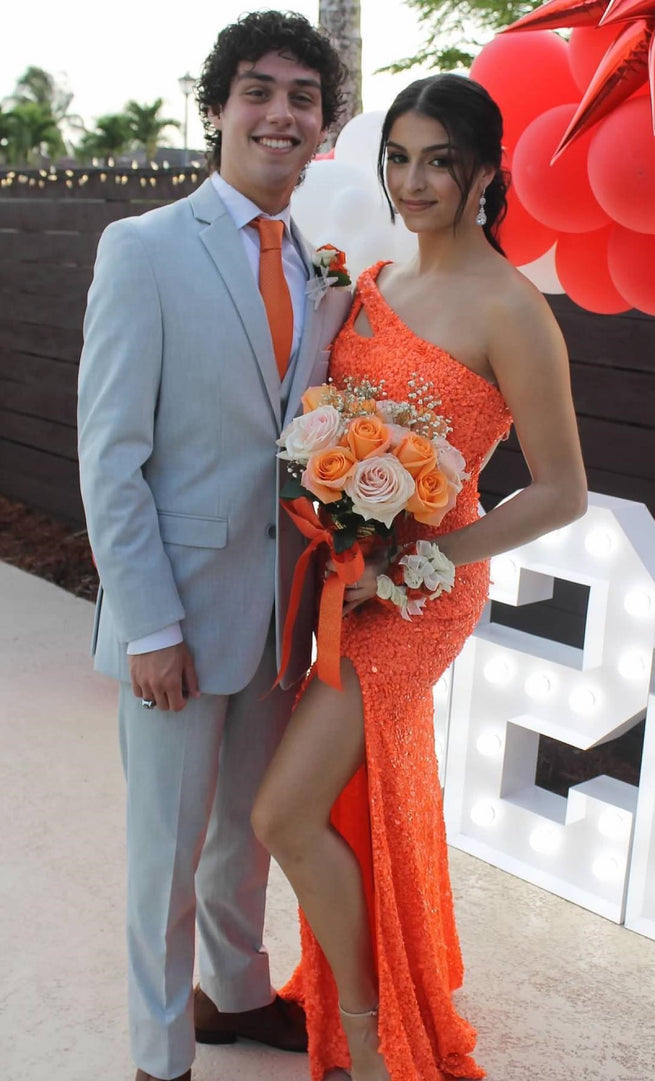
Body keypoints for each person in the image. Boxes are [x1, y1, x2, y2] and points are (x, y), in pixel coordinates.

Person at [251, 73, 588, 1081]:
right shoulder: (372, 284)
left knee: (283, 814)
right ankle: (368, 1004)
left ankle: (373, 1035)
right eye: (398, 158)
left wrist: (418, 558)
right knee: (344, 803)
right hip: (341, 575)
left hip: (424, 589)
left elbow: (562, 490)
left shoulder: (513, 309)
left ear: (485, 172)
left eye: (440, 161)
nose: (413, 181)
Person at [77, 12, 350, 1081]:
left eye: (302, 98)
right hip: (178, 616)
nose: (281, 113)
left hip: (280, 612)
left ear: (323, 126)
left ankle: (233, 994)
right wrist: (149, 624)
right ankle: (160, 1052)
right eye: (258, 91)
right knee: (167, 848)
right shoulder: (143, 248)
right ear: (219, 108)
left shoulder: (323, 268)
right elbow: (111, 457)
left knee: (246, 829)